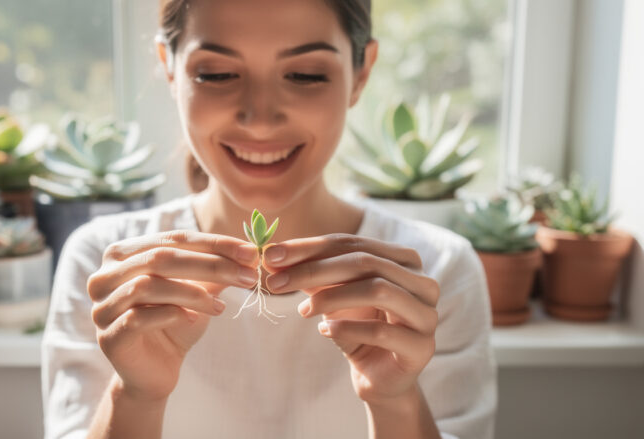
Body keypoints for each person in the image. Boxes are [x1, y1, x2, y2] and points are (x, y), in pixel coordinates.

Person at [41, 0, 498, 438]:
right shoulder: (109, 269)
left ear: (361, 73)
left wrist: (395, 399)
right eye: (216, 74)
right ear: (169, 68)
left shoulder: (434, 270)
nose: (260, 119)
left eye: (305, 75)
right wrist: (134, 395)